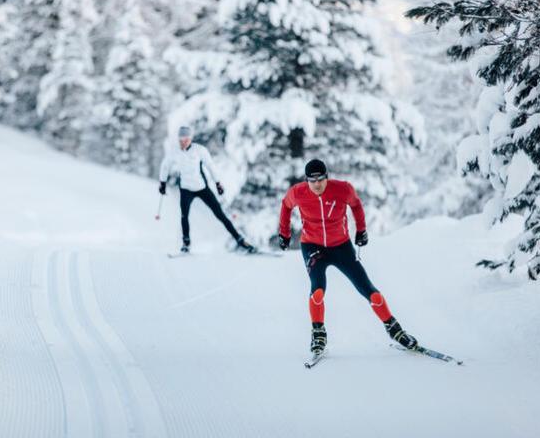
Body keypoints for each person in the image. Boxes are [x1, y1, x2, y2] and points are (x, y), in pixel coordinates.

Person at [278, 158, 418, 355]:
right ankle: (318, 333)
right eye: (312, 180)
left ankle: (395, 329)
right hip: (312, 246)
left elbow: (356, 205)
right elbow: (285, 205)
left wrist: (361, 230)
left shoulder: (342, 189)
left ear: (327, 177)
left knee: (370, 290)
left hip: (341, 247)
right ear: (307, 180)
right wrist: (284, 233)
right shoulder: (298, 192)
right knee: (317, 290)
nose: (317, 184)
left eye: (321, 179)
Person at [159, 126, 255, 254]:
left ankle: (239, 240)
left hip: (202, 188)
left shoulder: (199, 150)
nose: (183, 142)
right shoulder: (174, 152)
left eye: (186, 140)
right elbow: (165, 166)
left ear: (190, 139)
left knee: (220, 214)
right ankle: (186, 244)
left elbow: (211, 166)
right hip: (186, 189)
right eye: (181, 140)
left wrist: (218, 183)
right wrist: (162, 183)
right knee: (184, 216)